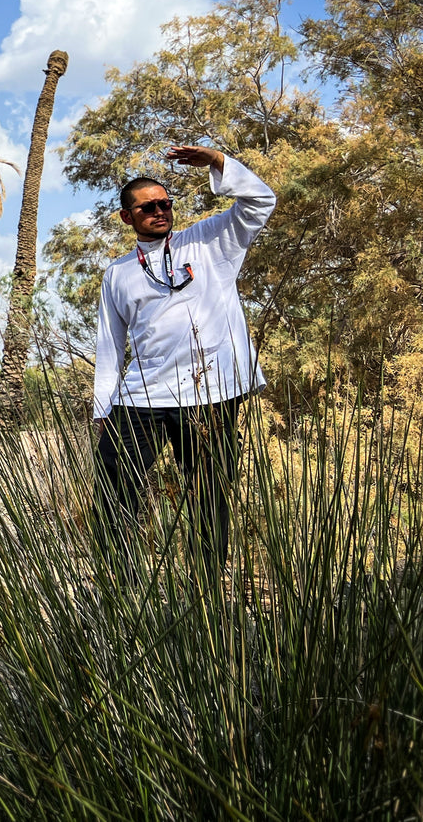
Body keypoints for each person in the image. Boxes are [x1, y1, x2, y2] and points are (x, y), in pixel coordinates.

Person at [92, 145, 276, 587]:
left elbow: (261, 201)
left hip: (210, 396)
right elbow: (110, 345)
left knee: (209, 498)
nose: (159, 211)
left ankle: (206, 594)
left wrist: (217, 161)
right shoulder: (117, 273)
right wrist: (102, 409)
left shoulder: (212, 241)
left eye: (165, 203)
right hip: (142, 398)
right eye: (147, 207)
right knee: (114, 492)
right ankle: (120, 589)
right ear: (127, 218)